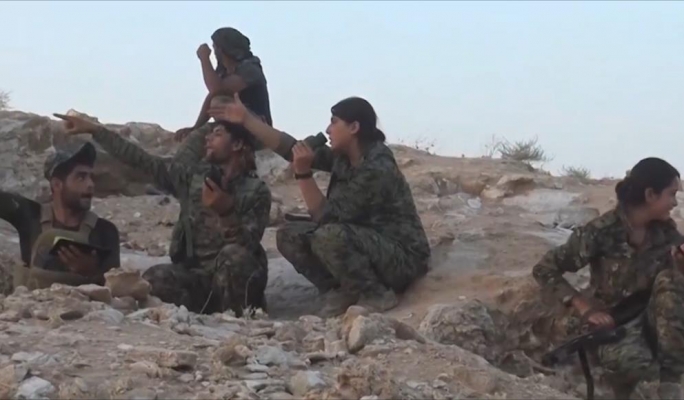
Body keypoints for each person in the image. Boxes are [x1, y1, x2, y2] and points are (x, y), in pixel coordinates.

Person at [208, 93, 431, 317]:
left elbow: (325, 217)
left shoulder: (376, 167)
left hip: (402, 257)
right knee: (289, 235)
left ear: (354, 127)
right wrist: (247, 120)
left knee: (328, 236)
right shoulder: (345, 157)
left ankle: (375, 294)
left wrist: (303, 173)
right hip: (367, 242)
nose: (327, 130)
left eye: (334, 122)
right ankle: (340, 290)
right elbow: (291, 149)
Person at [54, 107, 271, 317]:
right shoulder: (194, 178)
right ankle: (203, 313)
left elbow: (247, 245)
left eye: (218, 134)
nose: (208, 138)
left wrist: (226, 212)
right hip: (199, 278)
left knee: (233, 256)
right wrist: (96, 130)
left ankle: (239, 318)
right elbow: (142, 161)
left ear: (237, 144)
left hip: (235, 278)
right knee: (155, 278)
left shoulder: (256, 191)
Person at [532, 157, 684, 399]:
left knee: (670, 280)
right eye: (671, 194)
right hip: (615, 324)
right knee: (637, 367)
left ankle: (671, 382)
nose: (675, 203)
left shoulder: (664, 231)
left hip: (652, 317)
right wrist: (585, 308)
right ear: (650, 195)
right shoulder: (600, 232)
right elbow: (544, 269)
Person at [0, 143, 120, 291]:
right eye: (81, 177)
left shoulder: (105, 232)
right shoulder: (29, 215)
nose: (90, 184)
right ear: (57, 185)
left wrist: (91, 272)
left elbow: (118, 289)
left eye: (91, 177)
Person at [175, 27, 272, 144]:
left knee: (219, 102)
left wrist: (204, 59)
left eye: (215, 47)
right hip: (235, 125)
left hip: (257, 129)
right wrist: (196, 127)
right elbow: (212, 95)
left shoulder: (250, 69)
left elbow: (216, 90)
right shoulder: (224, 70)